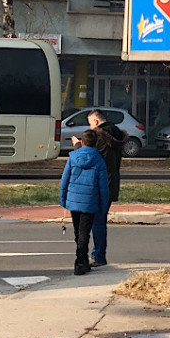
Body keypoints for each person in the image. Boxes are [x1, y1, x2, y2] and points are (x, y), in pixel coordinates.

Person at [72, 108, 124, 267]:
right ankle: (99, 254)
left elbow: (88, 159)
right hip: (111, 182)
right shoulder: (115, 134)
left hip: (100, 184)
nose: (91, 128)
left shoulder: (100, 136)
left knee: (97, 221)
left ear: (95, 121)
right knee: (99, 220)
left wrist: (78, 146)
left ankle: (99, 256)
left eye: (90, 124)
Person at [59, 129, 109, 276]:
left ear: (81, 142)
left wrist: (63, 199)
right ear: (95, 143)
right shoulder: (99, 160)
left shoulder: (73, 157)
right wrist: (103, 205)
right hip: (90, 201)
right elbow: (103, 186)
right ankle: (81, 261)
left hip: (74, 199)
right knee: (84, 232)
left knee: (77, 232)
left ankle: (82, 259)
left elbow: (65, 180)